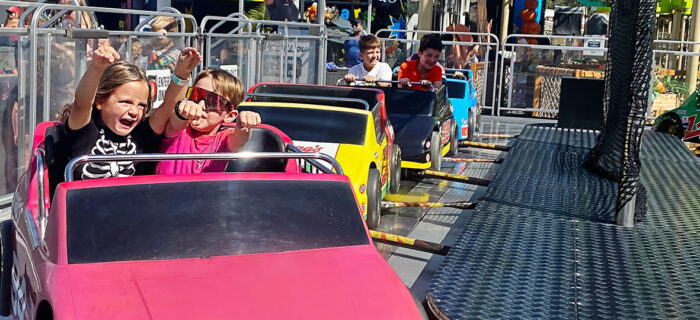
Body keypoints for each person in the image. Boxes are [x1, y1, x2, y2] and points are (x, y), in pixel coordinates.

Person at [52, 45, 201, 185]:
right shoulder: (84, 132)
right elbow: (82, 104)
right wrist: (97, 68)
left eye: (141, 105)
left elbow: (169, 106)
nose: (134, 111)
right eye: (125, 102)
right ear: (100, 101)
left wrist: (182, 73)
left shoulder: (141, 135)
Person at [155, 68, 261, 175]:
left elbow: (240, 138)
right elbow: (176, 121)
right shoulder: (180, 131)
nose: (200, 105)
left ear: (230, 115)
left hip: (206, 191)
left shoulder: (222, 140)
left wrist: (245, 124)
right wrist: (183, 110)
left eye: (214, 101)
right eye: (195, 95)